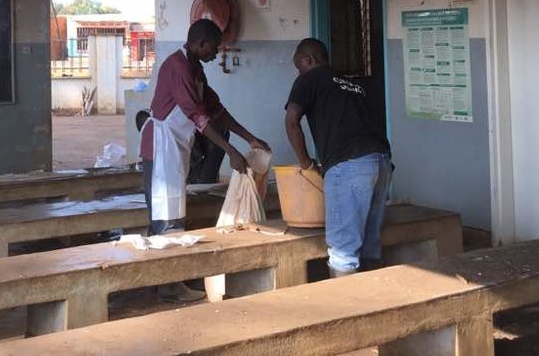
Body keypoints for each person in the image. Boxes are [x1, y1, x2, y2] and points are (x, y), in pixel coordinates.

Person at [139, 18, 271, 301]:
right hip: (160, 148)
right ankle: (168, 285)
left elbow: (217, 111)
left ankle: (165, 282)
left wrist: (249, 138)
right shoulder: (179, 67)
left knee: (171, 215)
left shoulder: (196, 69)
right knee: (166, 218)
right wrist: (232, 152)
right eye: (214, 47)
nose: (217, 53)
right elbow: (199, 118)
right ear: (200, 43)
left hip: (175, 147)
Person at [284, 38, 392, 277]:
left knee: (343, 251)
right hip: (381, 162)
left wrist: (307, 164)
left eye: (299, 66)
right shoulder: (352, 84)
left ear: (308, 60)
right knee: (370, 246)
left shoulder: (308, 79)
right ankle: (374, 304)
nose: (298, 71)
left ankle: (346, 310)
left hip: (349, 165)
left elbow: (291, 122)